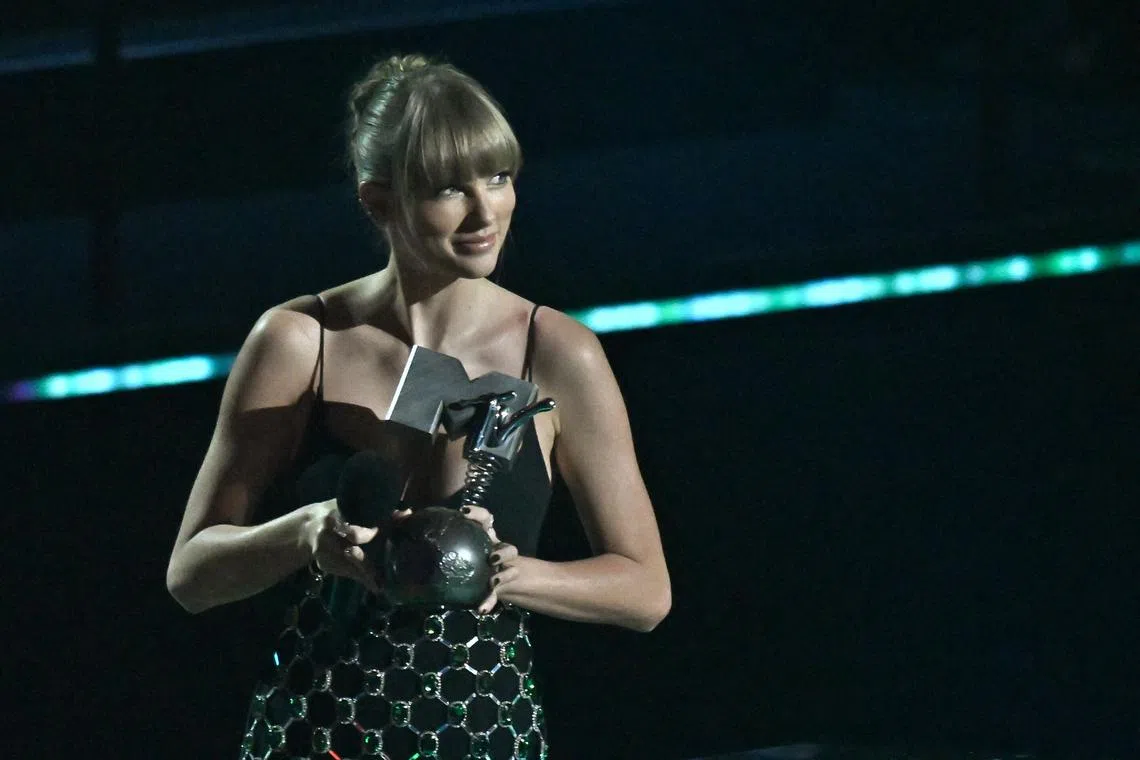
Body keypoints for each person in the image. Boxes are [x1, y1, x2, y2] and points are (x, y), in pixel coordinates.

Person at [166, 54, 670, 760]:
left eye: (499, 178)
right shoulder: (301, 340)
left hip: (482, 732)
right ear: (379, 202)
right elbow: (191, 576)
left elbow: (646, 591)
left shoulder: (557, 351)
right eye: (449, 189)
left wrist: (510, 572)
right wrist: (307, 533)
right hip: (317, 732)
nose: (485, 211)